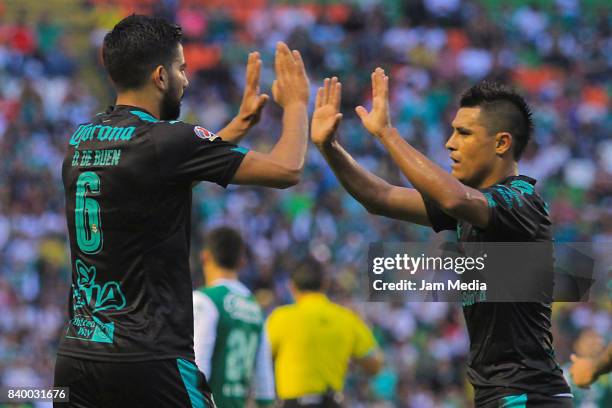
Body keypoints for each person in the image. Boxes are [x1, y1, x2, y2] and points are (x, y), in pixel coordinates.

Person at [54, 14, 309, 408]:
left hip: (78, 358)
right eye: (181, 68)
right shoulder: (169, 140)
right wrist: (296, 105)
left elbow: (162, 172)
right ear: (160, 76)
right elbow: (287, 169)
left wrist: (239, 123)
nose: (186, 80)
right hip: (150, 359)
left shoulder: (80, 140)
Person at [310, 72, 573, 407]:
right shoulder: (475, 205)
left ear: (502, 143)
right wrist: (329, 147)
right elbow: (380, 196)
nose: (450, 143)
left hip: (529, 395)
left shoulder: (522, 202)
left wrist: (387, 133)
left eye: (463, 133)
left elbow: (454, 199)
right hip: (500, 393)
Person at [267, 257, 383, 407]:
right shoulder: (346, 318)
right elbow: (375, 363)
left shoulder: (279, 318)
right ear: (325, 284)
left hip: (292, 403)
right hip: (330, 402)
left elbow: (260, 358)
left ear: (291, 286)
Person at [193, 226, 275, 407]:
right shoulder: (254, 306)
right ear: (242, 262)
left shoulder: (205, 300)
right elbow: (264, 378)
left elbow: (198, 366)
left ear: (205, 257)